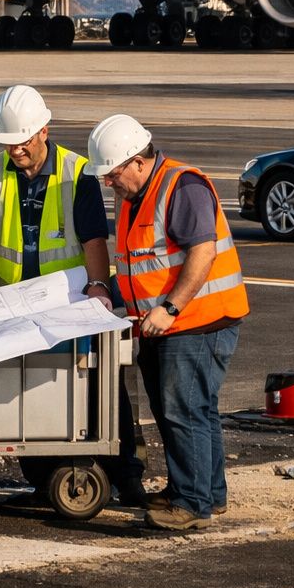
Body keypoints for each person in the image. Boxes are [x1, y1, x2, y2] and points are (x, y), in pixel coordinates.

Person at [0, 85, 147, 505]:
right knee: (30, 388)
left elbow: (94, 238)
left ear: (43, 131)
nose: (15, 151)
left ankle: (127, 474)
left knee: (101, 384)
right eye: (8, 143)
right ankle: (44, 476)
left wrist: (97, 287)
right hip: (16, 301)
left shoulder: (77, 172)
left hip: (69, 302)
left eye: (21, 142)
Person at [88, 114, 249, 531]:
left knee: (184, 411)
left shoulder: (182, 187)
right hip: (161, 324)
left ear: (138, 162)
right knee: (191, 410)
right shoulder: (136, 196)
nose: (110, 183)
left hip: (198, 321)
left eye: (113, 173)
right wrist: (112, 294)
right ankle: (204, 492)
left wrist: (171, 307)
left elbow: (202, 254)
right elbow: (141, 264)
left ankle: (191, 502)